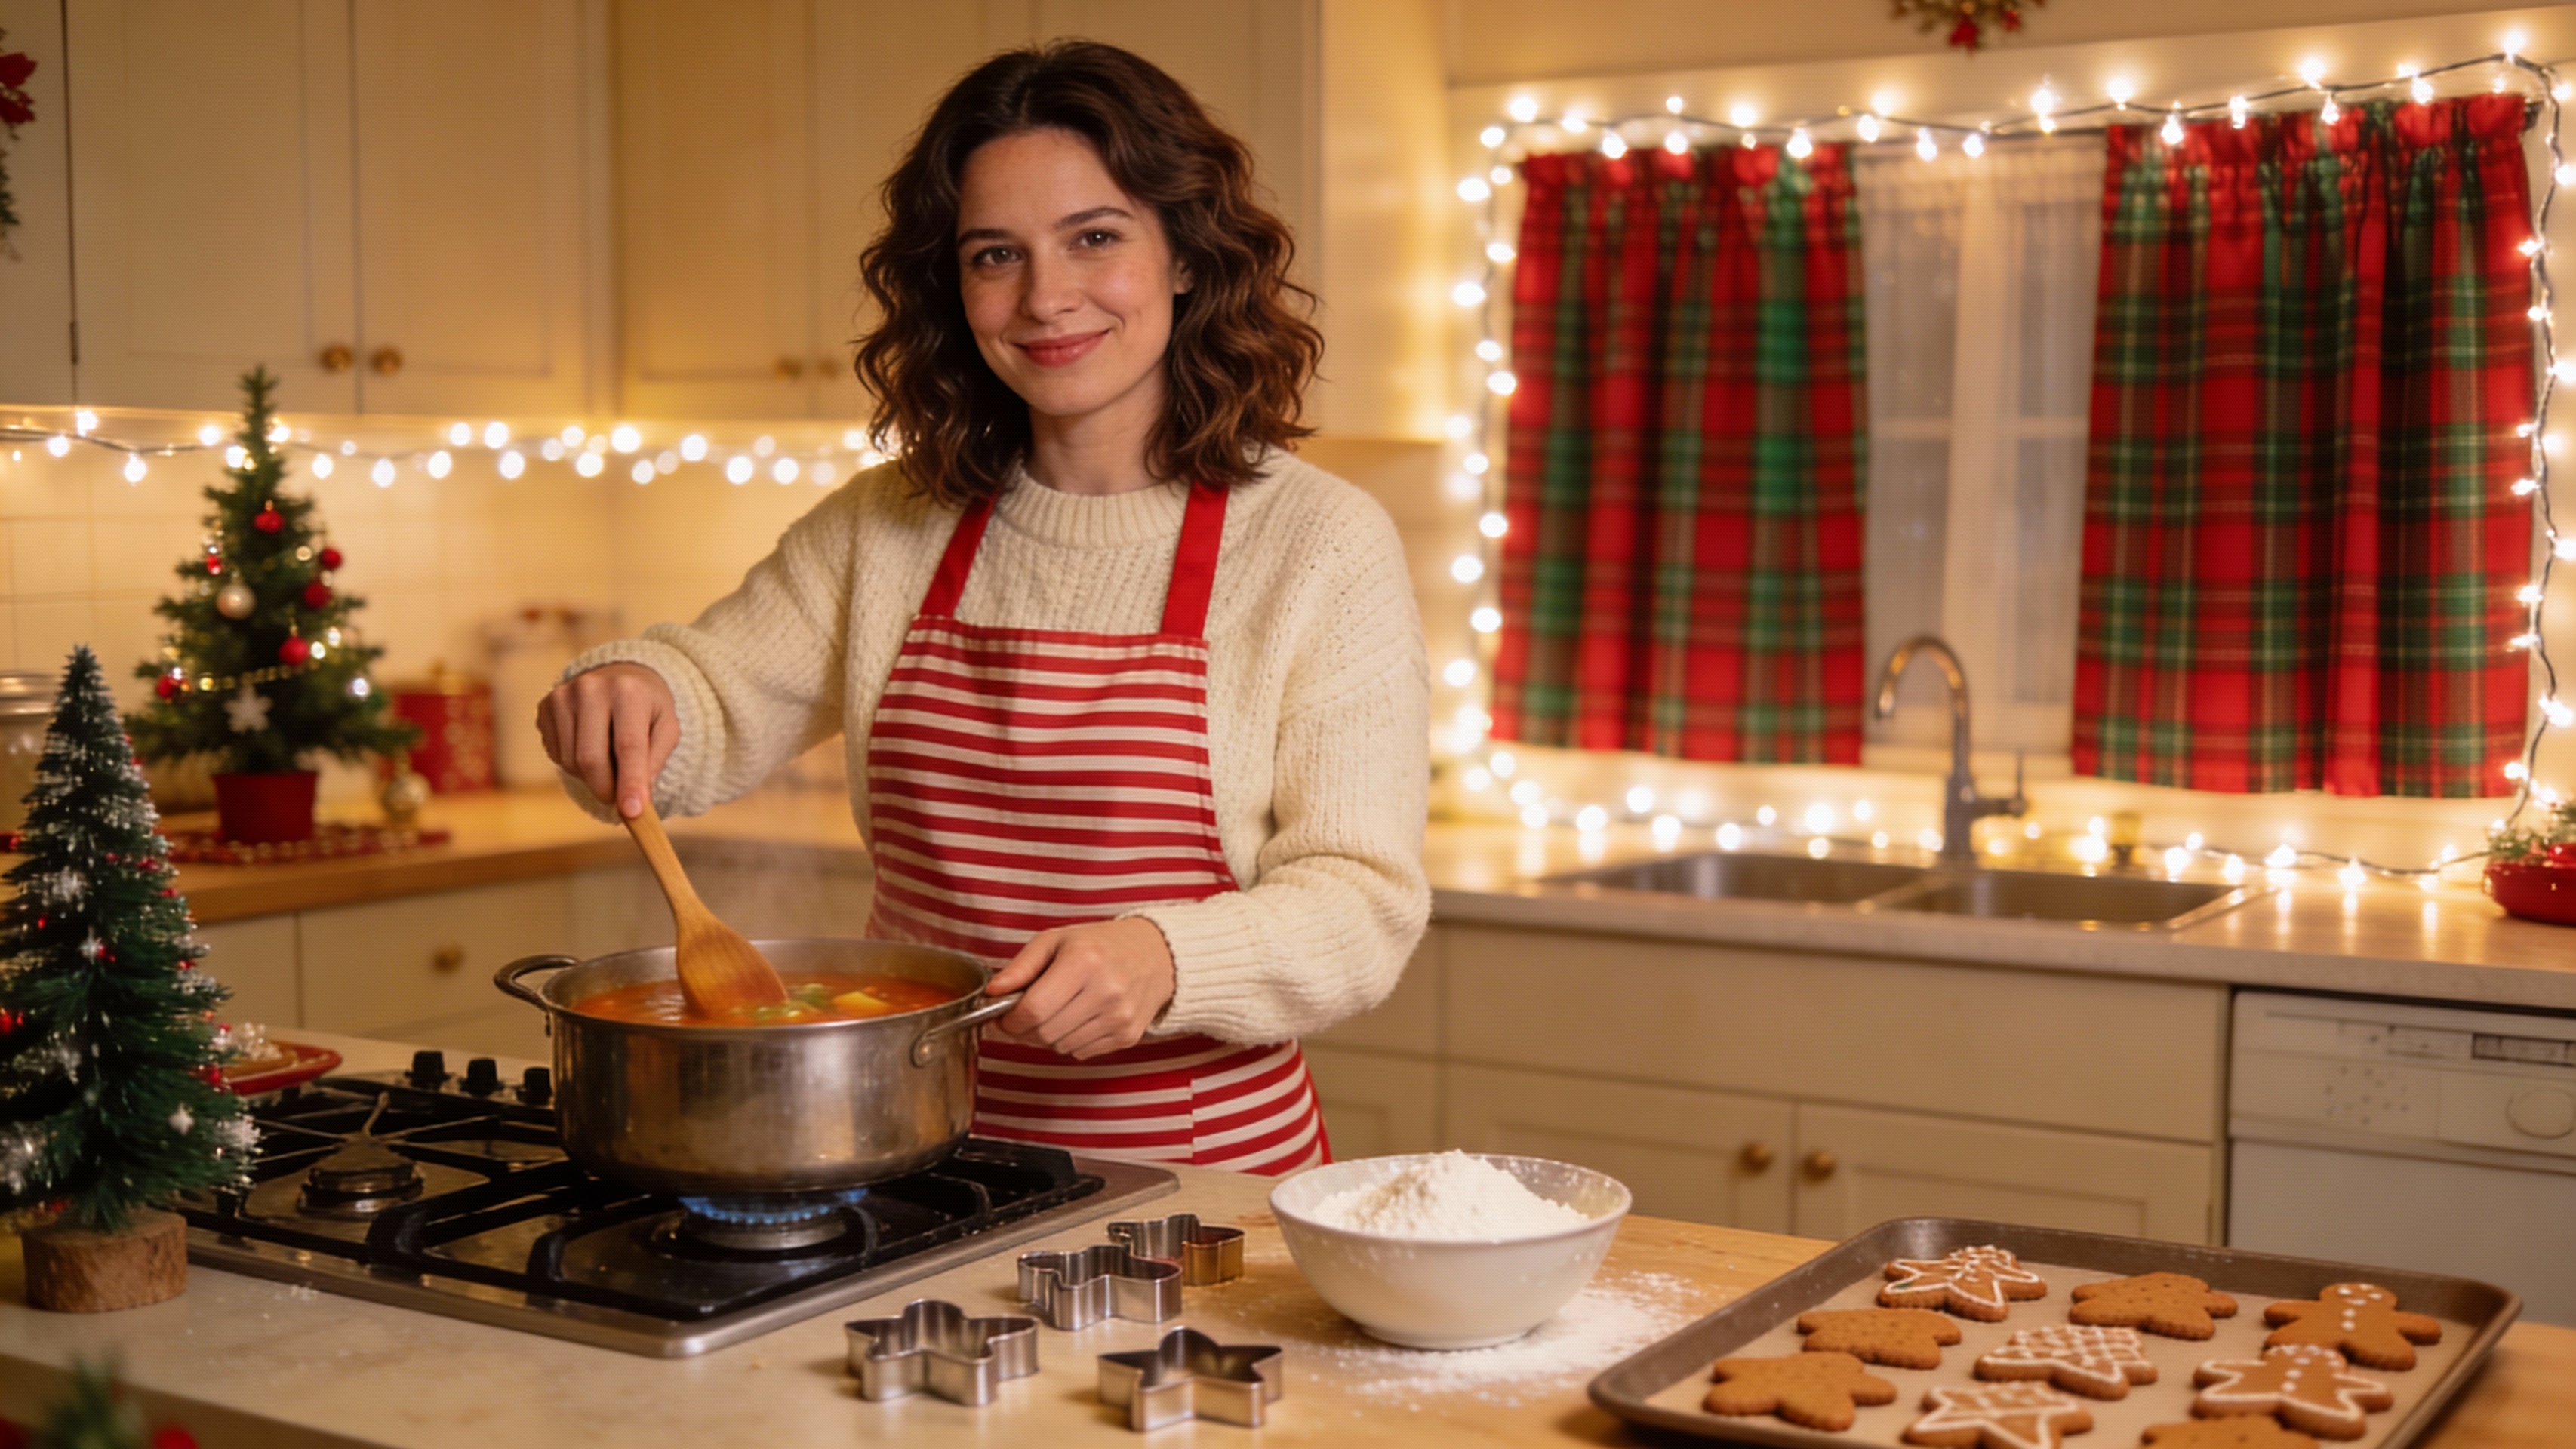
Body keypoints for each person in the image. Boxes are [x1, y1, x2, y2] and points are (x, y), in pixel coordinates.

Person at [536, 41, 1429, 1175]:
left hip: (1202, 1187)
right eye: (994, 255)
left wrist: (1165, 957)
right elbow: (703, 707)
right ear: (953, 291)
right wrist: (631, 691)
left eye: (1094, 238)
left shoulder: (1315, 541)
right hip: (906, 1157)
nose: (1045, 298)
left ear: (1186, 256)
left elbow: (1364, 906)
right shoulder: (891, 521)